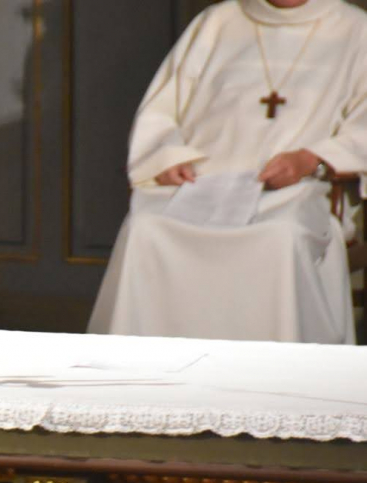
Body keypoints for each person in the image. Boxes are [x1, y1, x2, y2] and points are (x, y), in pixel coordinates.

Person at [87, 0, 367, 344]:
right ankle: (146, 376)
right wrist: (167, 156)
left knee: (281, 235)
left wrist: (311, 158)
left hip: (298, 187)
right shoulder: (219, 21)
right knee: (146, 229)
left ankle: (276, 376)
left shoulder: (355, 28)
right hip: (201, 182)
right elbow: (162, 110)